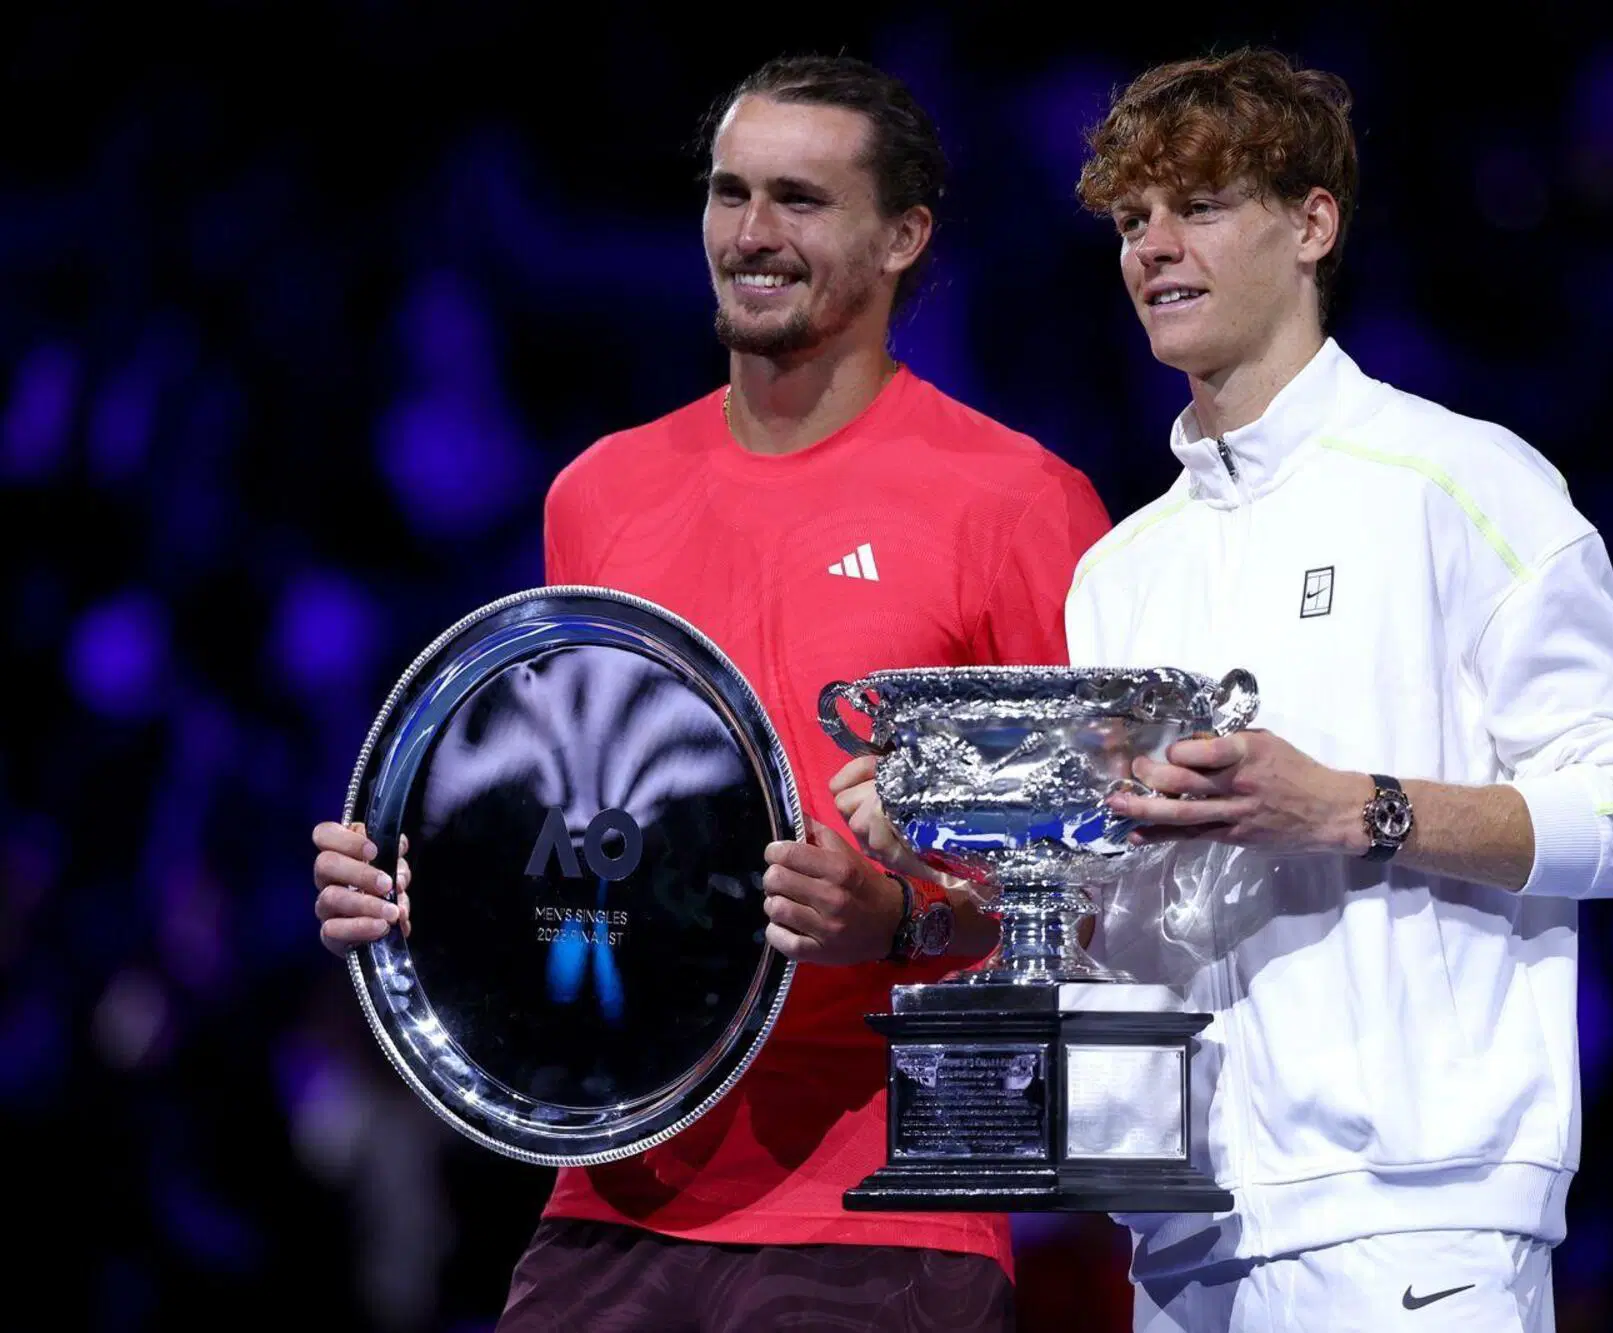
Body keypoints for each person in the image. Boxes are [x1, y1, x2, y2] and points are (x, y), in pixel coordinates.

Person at [832, 45, 1613, 1332]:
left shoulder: (1462, 483)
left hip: (1419, 1216)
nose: (1152, 247)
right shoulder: (1121, 573)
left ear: (1311, 224)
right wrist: (962, 842)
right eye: (1131, 220)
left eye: (1199, 206)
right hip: (1182, 1228)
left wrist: (1353, 807)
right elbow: (1113, 922)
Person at [311, 54, 1111, 1332]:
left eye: (799, 199)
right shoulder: (600, 496)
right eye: (729, 192)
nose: (751, 233)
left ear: (904, 236)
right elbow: (582, 837)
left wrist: (895, 918)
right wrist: (426, 892)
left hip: (889, 1198)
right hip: (613, 1188)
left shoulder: (1016, 504)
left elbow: (1091, 905)